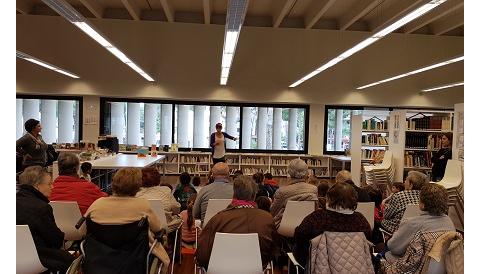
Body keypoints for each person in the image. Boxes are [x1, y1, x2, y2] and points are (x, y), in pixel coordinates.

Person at [85, 167, 170, 274]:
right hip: (134, 259)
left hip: (99, 258)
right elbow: (158, 229)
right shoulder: (142, 205)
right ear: (137, 186)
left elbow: (85, 229)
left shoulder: (97, 204)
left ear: (114, 183)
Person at [196, 175, 275, 270]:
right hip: (255, 270)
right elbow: (273, 251)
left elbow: (202, 256)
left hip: (221, 269)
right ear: (254, 196)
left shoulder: (218, 219)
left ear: (234, 194)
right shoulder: (267, 219)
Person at [293, 182, 372, 267]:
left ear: (329, 198)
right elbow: (368, 238)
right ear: (354, 199)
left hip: (320, 266)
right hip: (355, 266)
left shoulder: (317, 217)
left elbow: (299, 234)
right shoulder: (360, 220)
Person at [17, 166, 75, 272]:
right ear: (37, 186)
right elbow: (55, 240)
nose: (52, 187)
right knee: (69, 259)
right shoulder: (41, 207)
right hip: (34, 259)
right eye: (49, 184)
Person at [385, 183, 455, 262]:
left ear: (422, 204)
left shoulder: (412, 223)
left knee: (382, 249)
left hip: (414, 267)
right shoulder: (449, 221)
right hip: (443, 267)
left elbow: (394, 248)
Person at [270, 159, 318, 228]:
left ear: (289, 172)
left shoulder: (282, 191)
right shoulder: (314, 189)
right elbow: (314, 210)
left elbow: (273, 212)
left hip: (284, 228)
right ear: (306, 173)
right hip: (307, 227)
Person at [136, 167, 182, 231]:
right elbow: (176, 209)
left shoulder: (135, 193)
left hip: (141, 230)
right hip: (163, 229)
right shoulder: (165, 190)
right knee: (179, 218)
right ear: (158, 179)